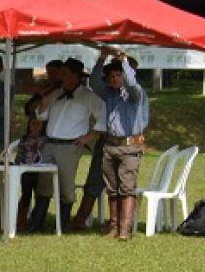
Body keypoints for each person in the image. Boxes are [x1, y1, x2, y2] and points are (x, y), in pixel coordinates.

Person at [33, 55, 105, 232]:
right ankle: (36, 223)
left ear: (75, 76)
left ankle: (63, 224)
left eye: (64, 73)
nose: (60, 77)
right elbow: (41, 116)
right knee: (44, 184)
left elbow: (105, 117)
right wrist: (44, 101)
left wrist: (89, 137)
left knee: (66, 186)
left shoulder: (88, 96)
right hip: (50, 144)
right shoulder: (57, 93)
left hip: (69, 146)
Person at [89, 48, 149, 240]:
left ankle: (125, 229)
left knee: (127, 188)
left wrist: (123, 60)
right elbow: (93, 82)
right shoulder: (109, 93)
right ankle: (114, 227)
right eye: (112, 75)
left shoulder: (135, 92)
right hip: (111, 145)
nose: (115, 79)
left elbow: (131, 83)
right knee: (112, 188)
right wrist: (102, 57)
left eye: (119, 75)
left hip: (130, 147)